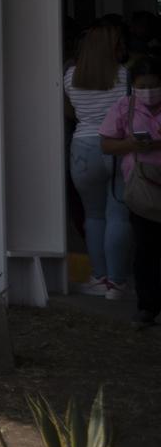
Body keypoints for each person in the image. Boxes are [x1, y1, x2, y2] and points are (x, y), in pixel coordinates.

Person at [66, 21, 132, 297]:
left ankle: (98, 277)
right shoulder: (125, 76)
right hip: (117, 146)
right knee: (118, 215)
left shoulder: (70, 76)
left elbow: (70, 113)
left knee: (93, 216)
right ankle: (116, 283)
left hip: (82, 148)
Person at [99, 56, 161, 326]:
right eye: (142, 86)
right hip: (142, 188)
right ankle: (147, 306)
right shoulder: (125, 107)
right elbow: (107, 144)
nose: (148, 91)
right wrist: (132, 144)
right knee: (146, 249)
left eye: (154, 85)